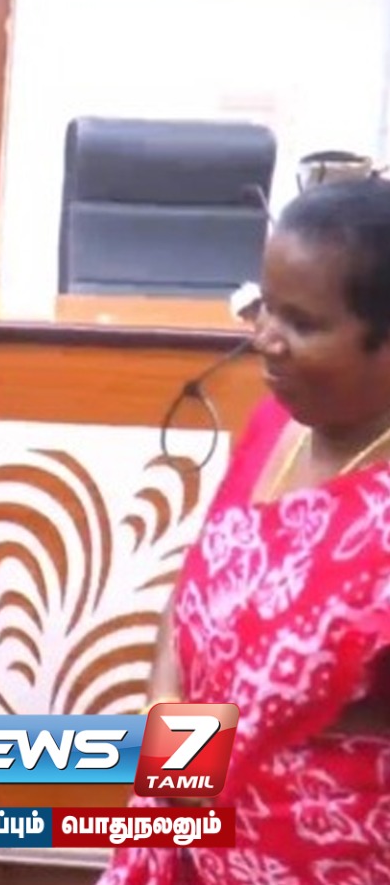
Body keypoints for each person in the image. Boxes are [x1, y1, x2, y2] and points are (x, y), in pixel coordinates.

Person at [101, 179, 390, 884]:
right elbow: (195, 593)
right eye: (264, 305)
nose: (263, 338)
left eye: (303, 323)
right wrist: (171, 737)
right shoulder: (276, 427)